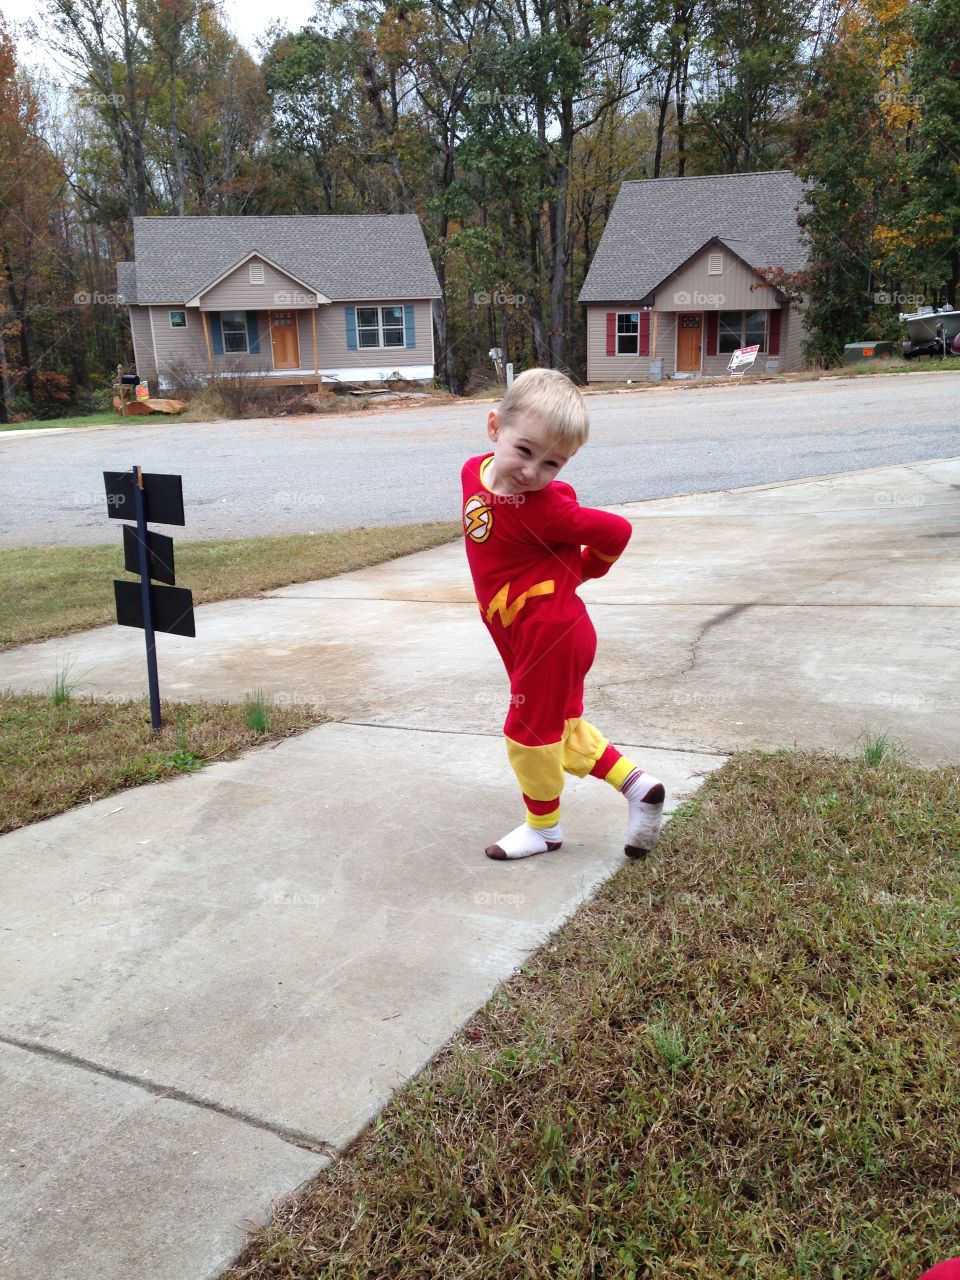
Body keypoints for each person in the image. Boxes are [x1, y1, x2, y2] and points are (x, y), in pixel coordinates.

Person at [460, 366, 666, 861]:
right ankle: (640, 788)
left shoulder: (547, 506)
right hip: (519, 631)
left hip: (550, 632)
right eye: (525, 451)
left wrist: (584, 570)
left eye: (553, 464)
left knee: (527, 733)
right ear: (495, 428)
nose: (532, 472)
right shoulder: (471, 471)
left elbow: (616, 531)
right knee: (562, 726)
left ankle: (544, 829)